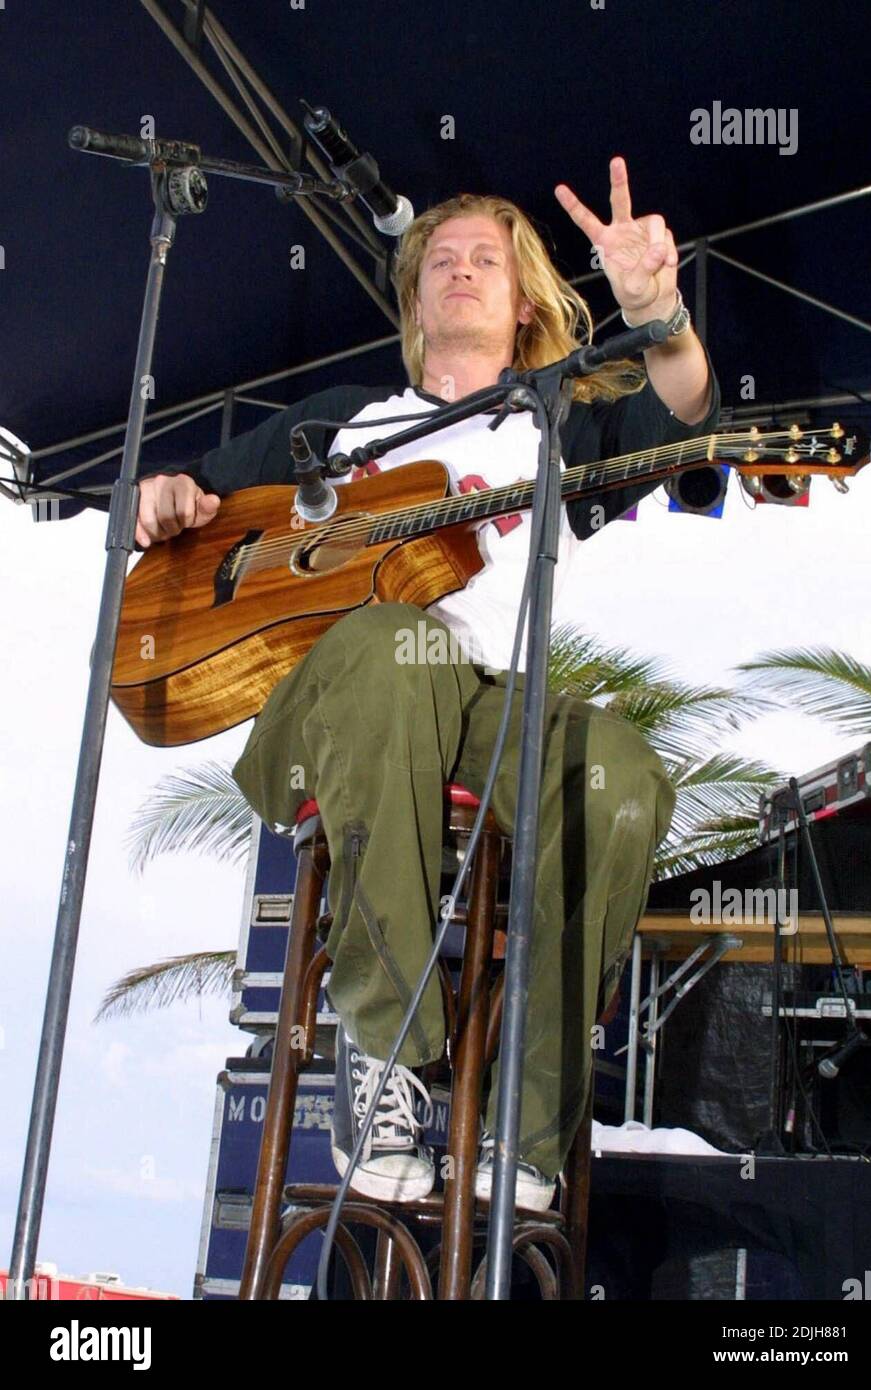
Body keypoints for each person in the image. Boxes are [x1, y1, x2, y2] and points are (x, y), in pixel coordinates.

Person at [137, 157, 721, 1211]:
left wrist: (658, 311)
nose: (457, 270)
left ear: (524, 298)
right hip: (336, 706)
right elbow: (195, 512)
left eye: (484, 259)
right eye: (438, 260)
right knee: (388, 650)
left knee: (619, 776)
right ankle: (387, 1045)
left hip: (494, 711)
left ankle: (529, 1122)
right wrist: (167, 494)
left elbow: (684, 407)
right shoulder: (337, 424)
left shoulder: (559, 425)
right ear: (412, 303)